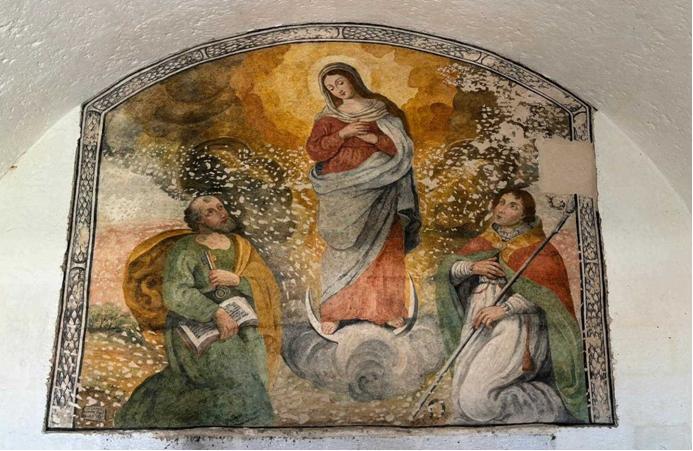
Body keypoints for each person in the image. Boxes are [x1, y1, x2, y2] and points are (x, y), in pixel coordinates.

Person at [115, 195, 282, 428]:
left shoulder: (240, 245)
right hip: (194, 323)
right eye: (211, 211)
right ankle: (242, 421)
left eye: (220, 207)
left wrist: (237, 280)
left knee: (254, 351)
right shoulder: (185, 249)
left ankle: (248, 419)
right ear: (198, 221)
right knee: (229, 359)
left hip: (240, 317)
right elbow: (176, 293)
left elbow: (266, 284)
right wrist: (215, 312)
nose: (221, 213)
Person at [434, 189, 588, 424]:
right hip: (478, 320)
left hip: (517, 325)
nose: (503, 209)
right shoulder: (484, 241)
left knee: (475, 400)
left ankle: (547, 402)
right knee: (460, 399)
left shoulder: (538, 248)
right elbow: (448, 272)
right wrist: (472, 268)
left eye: (513, 206)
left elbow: (547, 297)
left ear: (525, 215)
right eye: (501, 202)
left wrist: (504, 309)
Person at [306, 62, 421, 335]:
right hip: (341, 190)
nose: (337, 89)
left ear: (352, 79)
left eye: (340, 82)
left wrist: (373, 139)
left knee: (385, 248)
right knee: (342, 250)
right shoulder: (328, 118)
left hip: (381, 185)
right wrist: (342, 134)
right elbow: (315, 151)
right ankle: (335, 311)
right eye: (331, 87)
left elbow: (401, 148)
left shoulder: (382, 111)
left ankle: (388, 310)